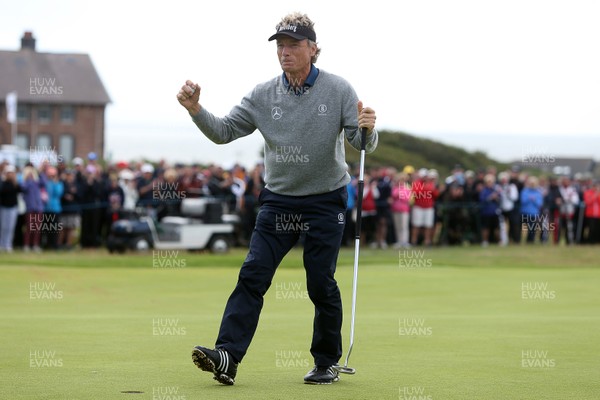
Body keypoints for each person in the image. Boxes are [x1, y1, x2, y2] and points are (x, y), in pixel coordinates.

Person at [177, 12, 377, 385]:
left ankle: (326, 361)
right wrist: (196, 111)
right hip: (279, 201)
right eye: (280, 46)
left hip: (325, 199)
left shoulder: (338, 90)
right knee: (253, 274)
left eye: (293, 45)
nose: (285, 52)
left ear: (313, 49)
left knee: (320, 282)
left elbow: (359, 142)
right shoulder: (262, 95)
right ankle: (227, 356)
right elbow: (223, 132)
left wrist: (368, 128)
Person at [0, 165, 22, 252]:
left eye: (11, 173)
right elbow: (3, 191)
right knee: (3, 227)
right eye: (9, 173)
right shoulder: (3, 182)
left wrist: (15, 181)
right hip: (4, 207)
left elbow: (20, 190)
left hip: (13, 207)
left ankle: (8, 244)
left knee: (11, 227)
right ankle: (2, 244)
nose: (10, 175)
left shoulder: (15, 183)